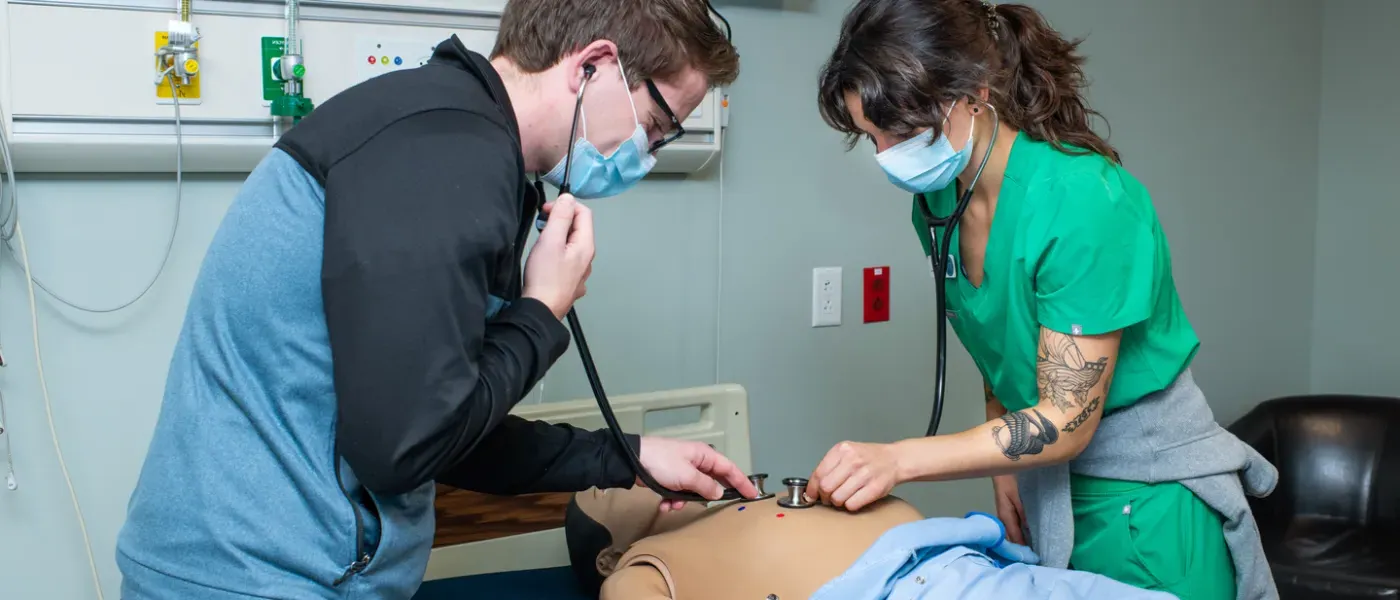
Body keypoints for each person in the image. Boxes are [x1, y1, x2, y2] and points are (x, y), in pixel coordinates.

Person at [115, 1, 757, 598]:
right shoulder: (445, 156)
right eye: (656, 125)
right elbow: (406, 449)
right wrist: (540, 312)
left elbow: (443, 420)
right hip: (253, 577)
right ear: (591, 65)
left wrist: (627, 457)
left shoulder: (450, 137)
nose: (648, 153)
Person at [806, 1, 1279, 599]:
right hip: (1044, 484)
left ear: (973, 91)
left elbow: (1068, 418)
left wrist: (898, 460)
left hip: (1144, 501)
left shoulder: (1082, 199)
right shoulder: (936, 208)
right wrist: (1006, 466)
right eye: (871, 138)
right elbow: (998, 346)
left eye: (900, 133)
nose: (886, 157)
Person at [565, 484, 1176, 599]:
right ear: (607, 550)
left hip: (972, 566)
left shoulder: (737, 505)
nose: (628, 472)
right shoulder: (639, 566)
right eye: (604, 487)